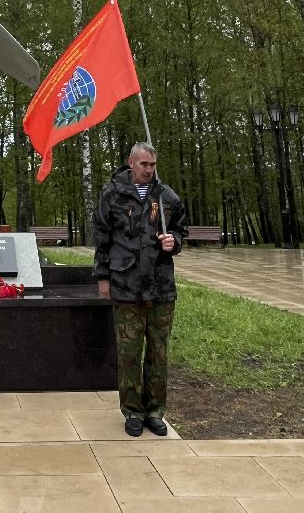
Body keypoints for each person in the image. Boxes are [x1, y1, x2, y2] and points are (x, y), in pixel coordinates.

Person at [93, 141, 187, 437]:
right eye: (144, 164)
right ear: (131, 163)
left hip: (160, 287)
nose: (149, 170)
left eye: (153, 165)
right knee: (129, 353)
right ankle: (132, 411)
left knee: (158, 353)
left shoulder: (167, 196)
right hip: (126, 284)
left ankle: (155, 411)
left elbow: (182, 230)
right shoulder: (112, 194)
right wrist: (103, 278)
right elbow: (101, 237)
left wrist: (174, 241)